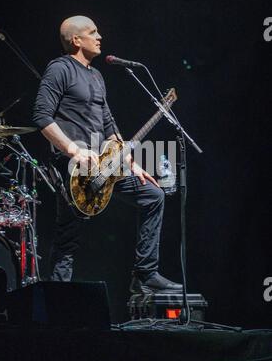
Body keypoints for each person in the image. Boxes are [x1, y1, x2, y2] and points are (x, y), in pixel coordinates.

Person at [33, 15, 182, 293]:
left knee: (153, 194)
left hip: (106, 162)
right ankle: (55, 300)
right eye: (93, 32)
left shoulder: (97, 75)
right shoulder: (60, 69)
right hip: (73, 167)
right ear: (77, 40)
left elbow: (108, 124)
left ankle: (145, 273)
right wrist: (73, 149)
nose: (99, 37)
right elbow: (42, 116)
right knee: (68, 236)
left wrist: (131, 163)